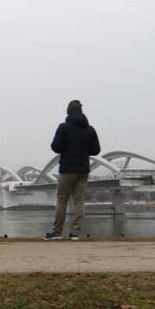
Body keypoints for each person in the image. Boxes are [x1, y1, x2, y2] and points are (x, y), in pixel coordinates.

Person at [44, 99, 100, 241]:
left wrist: (67, 148)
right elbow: (96, 150)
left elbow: (55, 147)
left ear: (68, 112)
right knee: (79, 200)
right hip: (83, 170)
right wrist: (83, 150)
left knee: (62, 200)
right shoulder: (90, 129)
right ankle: (76, 232)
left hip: (67, 169)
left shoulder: (63, 128)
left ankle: (57, 232)